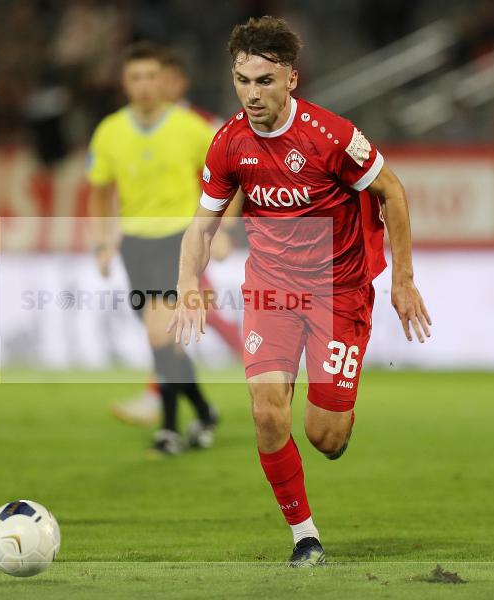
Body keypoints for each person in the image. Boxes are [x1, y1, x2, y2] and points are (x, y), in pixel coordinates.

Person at [168, 16, 432, 565]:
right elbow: (202, 225)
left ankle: (336, 414)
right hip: (272, 290)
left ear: (291, 78)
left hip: (340, 293)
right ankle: (304, 536)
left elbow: (392, 191)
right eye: (242, 80)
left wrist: (403, 279)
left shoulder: (330, 136)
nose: (251, 93)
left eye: (264, 81)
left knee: (324, 436)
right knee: (267, 413)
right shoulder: (228, 144)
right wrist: (187, 281)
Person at [87, 42, 219, 455]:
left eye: (151, 76)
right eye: (136, 77)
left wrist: (222, 229)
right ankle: (204, 412)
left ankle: (168, 430)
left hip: (180, 240)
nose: (144, 85)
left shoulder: (191, 128)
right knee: (165, 341)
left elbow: (228, 178)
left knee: (161, 333)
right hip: (135, 244)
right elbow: (99, 192)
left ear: (164, 81)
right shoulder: (110, 131)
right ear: (125, 83)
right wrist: (103, 242)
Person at [110, 48, 244, 428]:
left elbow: (231, 176)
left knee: (171, 317)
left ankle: (161, 401)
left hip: (189, 235)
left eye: (162, 79)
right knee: (193, 312)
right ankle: (252, 370)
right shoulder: (139, 127)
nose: (153, 87)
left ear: (180, 82)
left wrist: (223, 229)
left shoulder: (200, 124)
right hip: (155, 240)